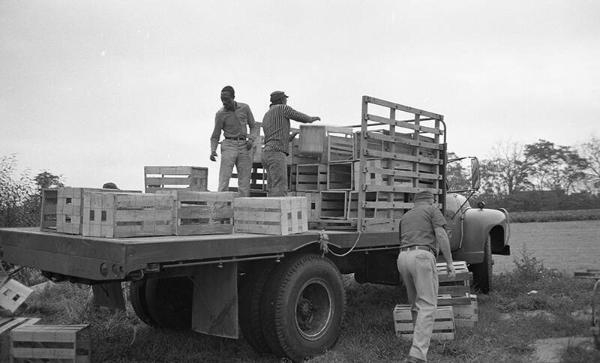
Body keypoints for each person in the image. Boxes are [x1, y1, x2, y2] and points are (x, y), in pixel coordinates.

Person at [397, 191, 455, 363]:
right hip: (422, 256)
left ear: (415, 202)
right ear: (431, 201)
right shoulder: (432, 210)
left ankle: (418, 346)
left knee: (415, 305)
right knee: (428, 305)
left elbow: (401, 240)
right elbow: (442, 235)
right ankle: (417, 355)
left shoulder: (405, 217)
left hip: (403, 257)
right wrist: (450, 262)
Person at [261, 90, 320, 196]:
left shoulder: (266, 115)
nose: (286, 100)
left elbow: (273, 137)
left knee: (272, 187)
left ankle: (272, 210)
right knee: (280, 187)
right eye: (285, 98)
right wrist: (311, 119)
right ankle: (279, 212)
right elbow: (297, 115)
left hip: (266, 153)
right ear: (281, 100)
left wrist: (289, 137)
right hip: (277, 153)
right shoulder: (283, 108)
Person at [210, 86, 257, 197]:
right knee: (224, 179)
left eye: (227, 99)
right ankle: (220, 210)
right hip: (228, 145)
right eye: (222, 99)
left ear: (233, 97)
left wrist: (251, 139)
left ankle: (242, 209)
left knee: (244, 181)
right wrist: (213, 150)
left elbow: (253, 126)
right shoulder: (220, 114)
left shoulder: (245, 108)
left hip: (244, 146)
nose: (224, 102)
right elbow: (215, 136)